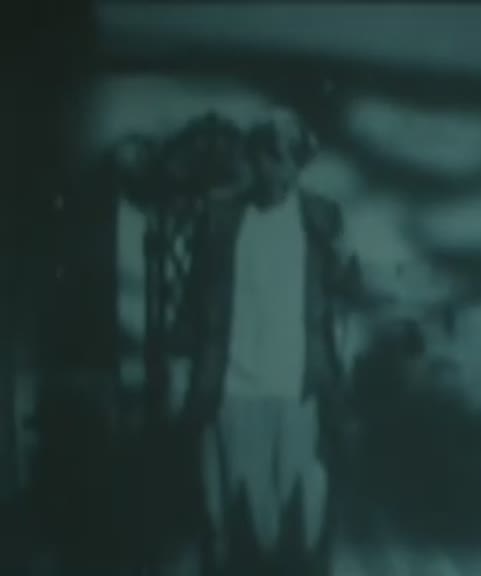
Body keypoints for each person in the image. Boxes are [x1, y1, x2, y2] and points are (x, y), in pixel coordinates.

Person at [182, 108, 354, 575]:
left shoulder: (322, 218)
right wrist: (195, 372)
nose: (276, 169)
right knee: (240, 515)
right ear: (253, 157)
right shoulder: (220, 218)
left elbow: (345, 292)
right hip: (235, 384)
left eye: (288, 158)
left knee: (299, 516)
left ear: (299, 164)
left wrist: (344, 262)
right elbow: (196, 301)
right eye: (267, 156)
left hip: (298, 386)